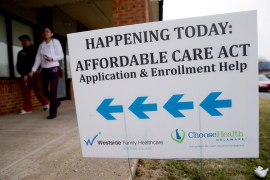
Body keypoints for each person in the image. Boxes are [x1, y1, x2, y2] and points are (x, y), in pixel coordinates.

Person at [29, 27, 64, 119]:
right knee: (43, 90)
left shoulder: (55, 42)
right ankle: (56, 102)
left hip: (54, 68)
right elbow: (38, 59)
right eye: (44, 32)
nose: (45, 33)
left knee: (53, 91)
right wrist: (33, 70)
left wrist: (52, 58)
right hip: (44, 69)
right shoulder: (41, 45)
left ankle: (53, 112)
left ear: (52, 34)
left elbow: (61, 55)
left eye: (47, 31)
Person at [16, 34, 49, 114]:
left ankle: (46, 103)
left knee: (38, 90)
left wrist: (39, 70)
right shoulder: (20, 52)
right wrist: (20, 72)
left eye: (25, 40)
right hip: (24, 75)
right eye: (22, 41)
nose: (24, 42)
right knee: (26, 93)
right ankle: (27, 109)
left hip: (35, 74)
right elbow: (18, 64)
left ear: (30, 41)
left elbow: (42, 60)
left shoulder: (36, 49)